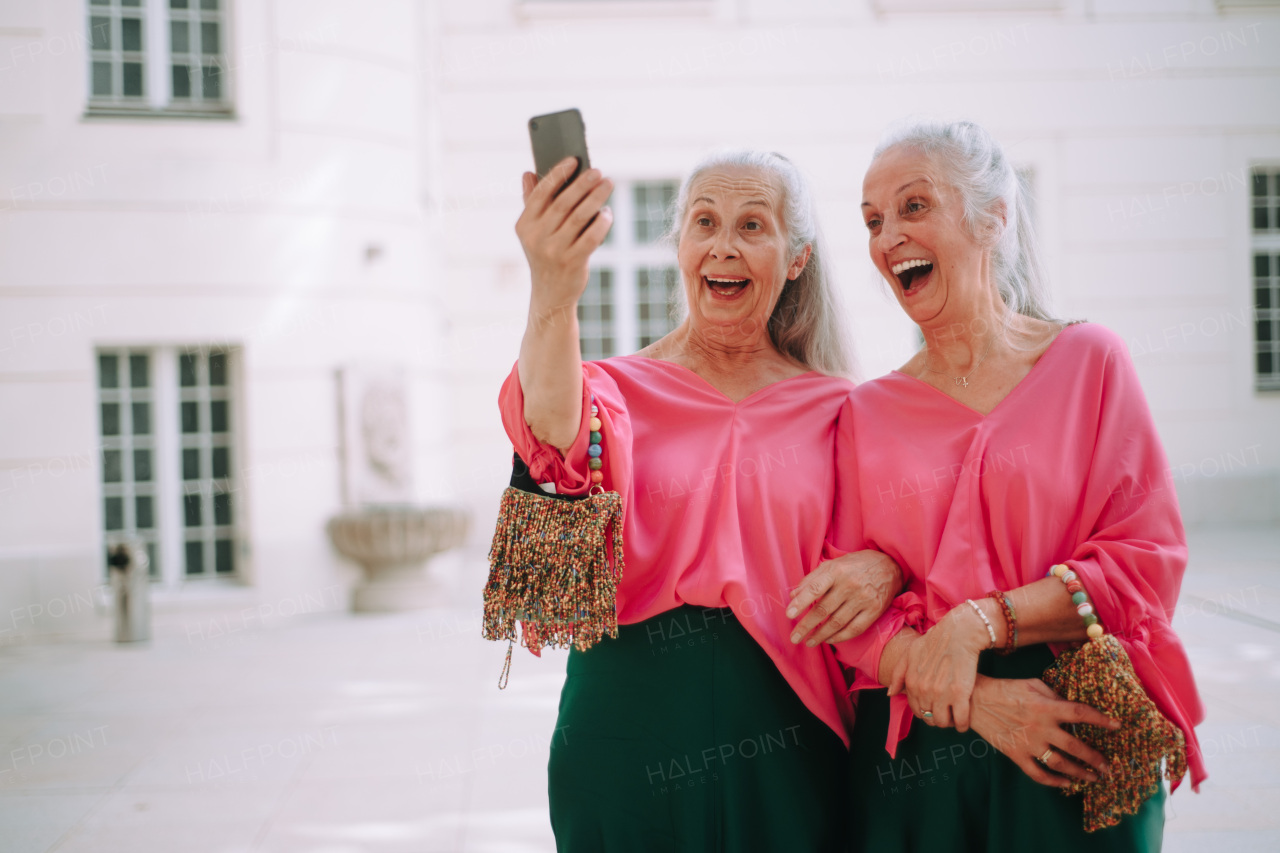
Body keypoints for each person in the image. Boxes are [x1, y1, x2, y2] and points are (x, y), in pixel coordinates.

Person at [788, 118, 1206, 851]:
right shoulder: (865, 411)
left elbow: (1145, 561)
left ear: (994, 216)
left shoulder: (1090, 362)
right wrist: (978, 699)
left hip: (1076, 734)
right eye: (874, 221)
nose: (888, 238)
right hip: (919, 752)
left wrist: (977, 621)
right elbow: (844, 617)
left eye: (914, 207)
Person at [500, 151, 901, 851]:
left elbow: (902, 544)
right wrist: (554, 289)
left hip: (790, 730)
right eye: (704, 222)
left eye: (753, 225)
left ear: (797, 256)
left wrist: (887, 568)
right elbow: (550, 434)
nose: (724, 244)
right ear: (681, 246)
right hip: (624, 727)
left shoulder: (842, 408)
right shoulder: (613, 389)